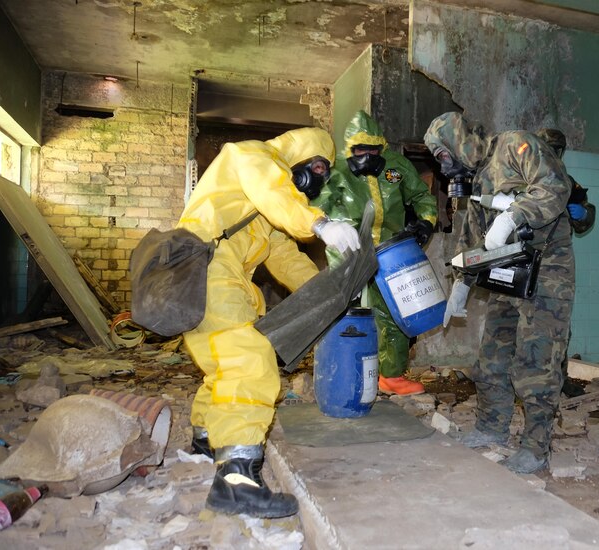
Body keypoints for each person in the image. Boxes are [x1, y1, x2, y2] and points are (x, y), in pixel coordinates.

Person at [178, 127, 360, 518]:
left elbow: (284, 256)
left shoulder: (261, 214)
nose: (317, 180)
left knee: (223, 363)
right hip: (206, 266)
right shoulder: (249, 155)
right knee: (249, 358)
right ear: (298, 157)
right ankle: (236, 480)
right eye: (317, 168)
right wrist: (320, 223)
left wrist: (332, 289)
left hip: (222, 273)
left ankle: (207, 440)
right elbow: (273, 187)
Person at [424, 112, 574, 474]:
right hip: (507, 270)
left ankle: (536, 449)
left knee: (536, 359)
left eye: (443, 155)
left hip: (547, 269)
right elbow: (472, 239)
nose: (444, 166)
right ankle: (491, 427)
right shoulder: (475, 180)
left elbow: (554, 186)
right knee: (493, 354)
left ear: (458, 140)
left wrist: (513, 216)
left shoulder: (515, 145)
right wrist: (460, 285)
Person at [312, 110, 438, 396]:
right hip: (347, 251)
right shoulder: (337, 171)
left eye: (373, 149)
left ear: (381, 146)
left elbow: (422, 197)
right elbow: (316, 207)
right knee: (341, 312)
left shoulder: (397, 166)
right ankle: (336, 369)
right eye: (360, 150)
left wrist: (425, 223)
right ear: (349, 149)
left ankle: (390, 376)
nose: (367, 155)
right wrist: (327, 226)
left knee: (394, 311)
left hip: (390, 252)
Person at [535, 128, 596, 398]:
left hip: (558, 267)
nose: (553, 154)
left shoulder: (567, 182)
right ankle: (526, 381)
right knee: (525, 327)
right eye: (549, 148)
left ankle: (559, 379)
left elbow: (585, 216)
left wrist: (583, 214)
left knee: (560, 325)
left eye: (557, 149)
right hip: (528, 264)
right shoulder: (526, 180)